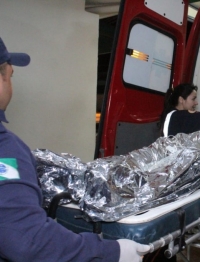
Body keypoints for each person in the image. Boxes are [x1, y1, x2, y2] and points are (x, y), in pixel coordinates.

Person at [0, 37, 149, 262]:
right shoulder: (6, 150)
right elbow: (28, 240)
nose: (11, 85)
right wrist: (111, 252)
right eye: (10, 76)